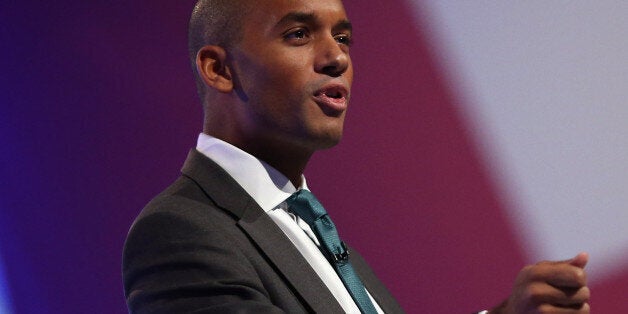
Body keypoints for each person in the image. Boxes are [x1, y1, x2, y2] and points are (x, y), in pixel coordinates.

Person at [122, 0, 591, 313]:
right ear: (219, 69)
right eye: (299, 34)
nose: (336, 58)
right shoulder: (181, 232)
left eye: (343, 38)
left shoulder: (309, 222)